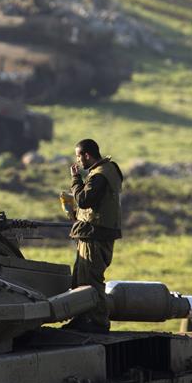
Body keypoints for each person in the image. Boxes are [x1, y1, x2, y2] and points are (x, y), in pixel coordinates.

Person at [62, 138, 123, 334]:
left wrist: (75, 179)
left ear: (87, 155)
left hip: (95, 236)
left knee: (91, 280)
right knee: (81, 278)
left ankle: (97, 322)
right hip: (95, 233)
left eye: (78, 156)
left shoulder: (99, 175)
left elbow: (84, 199)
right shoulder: (108, 170)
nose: (78, 161)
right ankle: (82, 318)